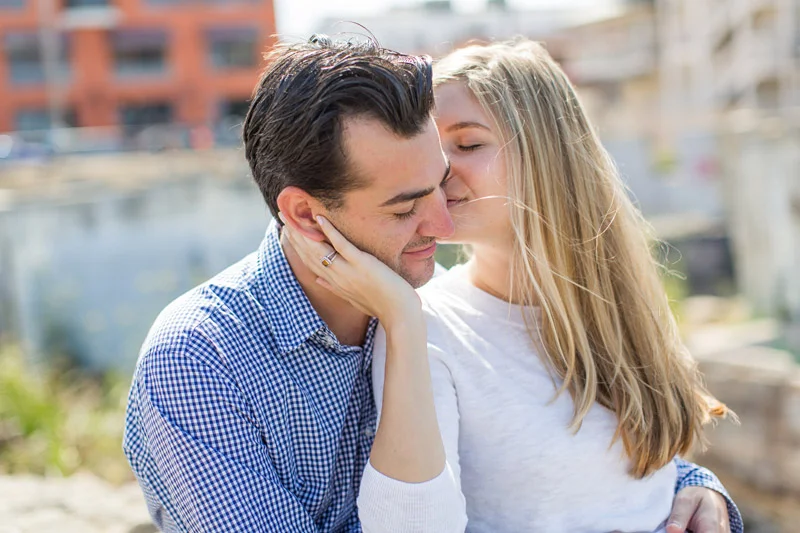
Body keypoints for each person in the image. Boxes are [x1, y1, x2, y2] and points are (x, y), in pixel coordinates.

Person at [124, 35, 738, 532]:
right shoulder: (201, 359)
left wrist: (695, 488)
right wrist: (405, 319)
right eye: (405, 207)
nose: (443, 223)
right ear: (308, 215)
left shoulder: (428, 296)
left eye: (443, 174)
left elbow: (570, 462)